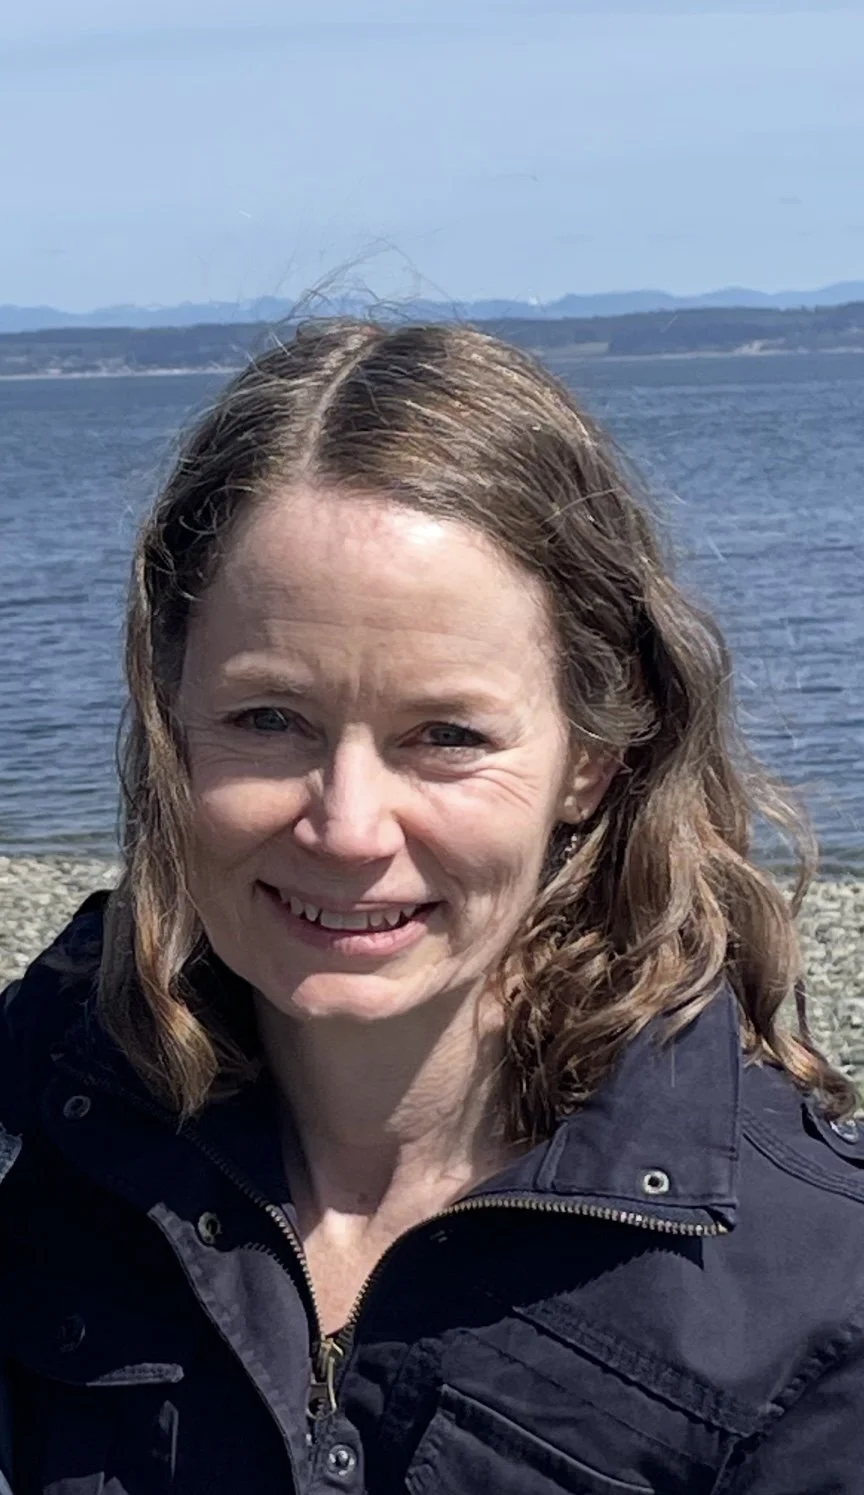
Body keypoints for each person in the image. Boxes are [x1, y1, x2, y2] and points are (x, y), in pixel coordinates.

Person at [2, 319, 863, 1495]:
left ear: (594, 756)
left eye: (445, 736)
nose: (347, 826)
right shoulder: (46, 1121)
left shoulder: (807, 1282)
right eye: (268, 719)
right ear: (168, 709)